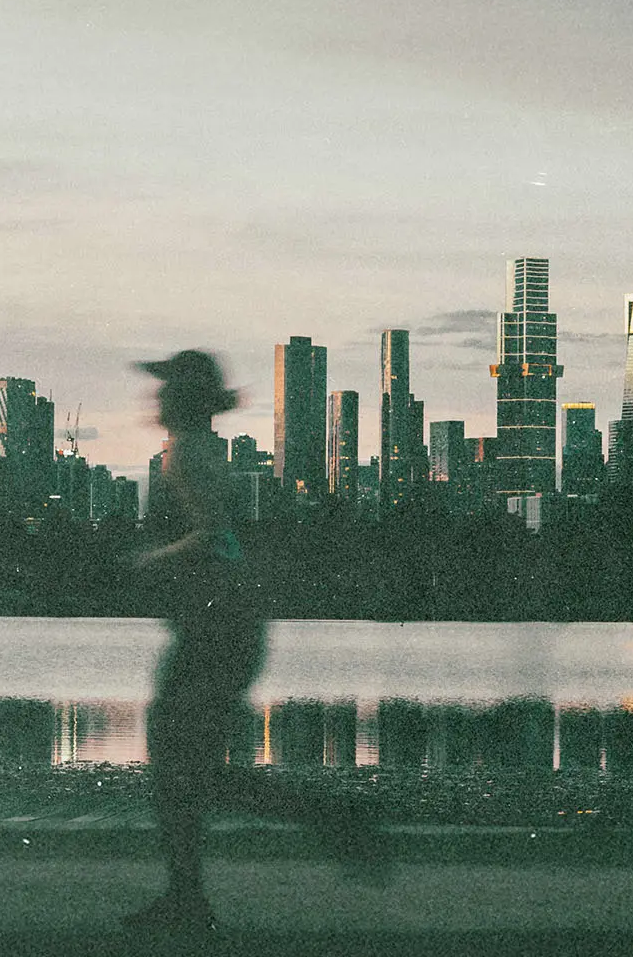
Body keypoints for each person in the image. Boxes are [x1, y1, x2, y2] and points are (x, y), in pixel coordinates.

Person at [126, 349, 384, 935]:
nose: (155, 398)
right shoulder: (193, 451)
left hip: (216, 630)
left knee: (181, 768)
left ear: (184, 400)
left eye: (165, 389)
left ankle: (326, 820)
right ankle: (193, 892)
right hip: (222, 627)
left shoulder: (187, 453)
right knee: (188, 769)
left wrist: (149, 560)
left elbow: (214, 536)